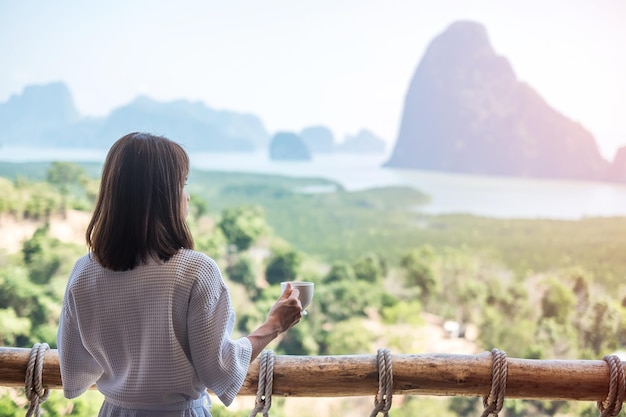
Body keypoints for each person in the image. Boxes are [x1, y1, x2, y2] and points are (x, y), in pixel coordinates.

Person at [56, 132, 303, 417]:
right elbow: (219, 370)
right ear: (162, 196)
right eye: (182, 184)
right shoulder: (195, 271)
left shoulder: (84, 272)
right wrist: (273, 324)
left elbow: (75, 370)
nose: (187, 195)